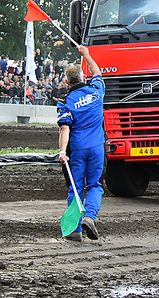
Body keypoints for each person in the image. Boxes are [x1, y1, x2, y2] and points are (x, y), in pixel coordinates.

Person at [57, 45, 105, 242]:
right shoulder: (96, 90)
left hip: (76, 149)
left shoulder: (65, 101)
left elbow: (64, 128)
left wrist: (62, 151)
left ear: (67, 82)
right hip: (97, 147)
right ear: (83, 78)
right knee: (95, 186)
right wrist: (86, 54)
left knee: (75, 189)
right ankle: (89, 216)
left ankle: (74, 230)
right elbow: (97, 71)